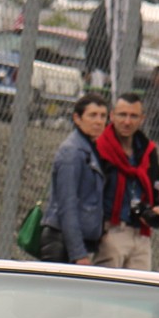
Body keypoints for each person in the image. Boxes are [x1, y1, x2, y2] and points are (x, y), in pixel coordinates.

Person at [93, 93, 159, 270]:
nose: (127, 122)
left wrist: (157, 207)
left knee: (140, 286)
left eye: (133, 116)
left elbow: (157, 185)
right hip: (111, 230)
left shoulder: (147, 150)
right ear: (112, 116)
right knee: (107, 285)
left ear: (142, 119)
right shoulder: (100, 147)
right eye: (122, 115)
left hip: (141, 233)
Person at [40, 94, 109, 264]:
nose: (99, 121)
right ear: (77, 118)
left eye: (103, 116)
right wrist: (78, 253)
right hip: (61, 244)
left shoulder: (89, 149)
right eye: (92, 115)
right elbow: (67, 205)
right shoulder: (72, 152)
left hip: (71, 243)